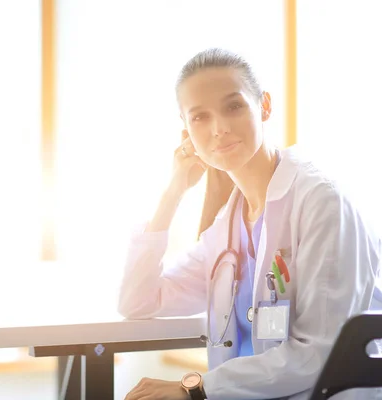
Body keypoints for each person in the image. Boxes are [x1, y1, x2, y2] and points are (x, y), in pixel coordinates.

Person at [118, 48, 382, 400]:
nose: (220, 128)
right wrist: (173, 191)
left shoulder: (321, 201)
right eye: (199, 117)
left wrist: (194, 390)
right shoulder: (229, 225)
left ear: (265, 106)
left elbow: (321, 353)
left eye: (234, 106)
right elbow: (139, 300)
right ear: (186, 133)